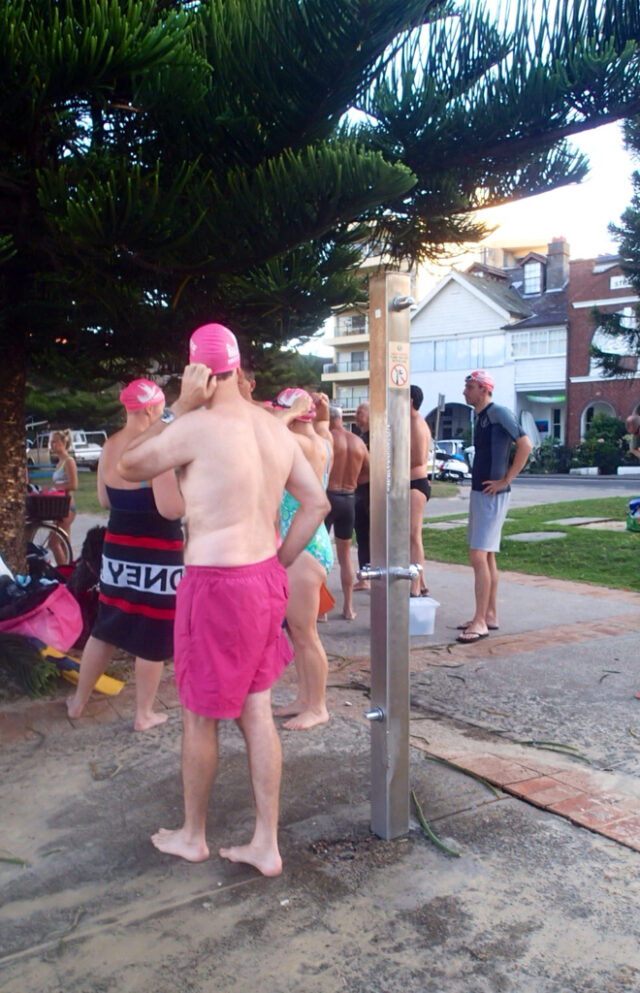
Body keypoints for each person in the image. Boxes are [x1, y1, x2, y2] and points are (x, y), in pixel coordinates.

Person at [117, 323, 329, 876]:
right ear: (237, 369)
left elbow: (128, 464)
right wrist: (280, 559)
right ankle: (265, 843)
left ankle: (193, 836)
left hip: (215, 585)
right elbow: (316, 504)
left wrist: (177, 408)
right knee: (256, 709)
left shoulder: (195, 427)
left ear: (200, 373)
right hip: (263, 579)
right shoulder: (273, 429)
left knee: (199, 716)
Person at [66, 380, 185, 730]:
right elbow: (170, 509)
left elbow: (105, 500)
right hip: (157, 551)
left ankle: (78, 703)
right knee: (152, 631)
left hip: (118, 549)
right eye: (161, 407)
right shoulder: (156, 448)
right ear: (150, 409)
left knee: (107, 626)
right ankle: (144, 714)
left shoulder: (110, 445)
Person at [272, 387, 333, 730]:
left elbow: (270, 433)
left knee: (305, 632)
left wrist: (289, 412)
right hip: (308, 539)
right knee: (298, 631)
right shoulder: (321, 438)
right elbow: (322, 423)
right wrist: (320, 410)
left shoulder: (301, 443)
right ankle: (305, 698)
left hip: (305, 545)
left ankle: (318, 706)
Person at [457, 370, 532, 644]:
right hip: (482, 492)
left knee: (478, 555)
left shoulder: (499, 412)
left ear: (484, 389)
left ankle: (480, 622)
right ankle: (489, 615)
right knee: (486, 555)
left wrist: (506, 480)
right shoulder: (481, 416)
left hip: (492, 494)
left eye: (470, 387)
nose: (465, 392)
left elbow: (525, 444)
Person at [324, 404, 368, 620]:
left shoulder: (326, 439)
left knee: (320, 555)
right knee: (345, 557)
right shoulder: (358, 442)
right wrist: (353, 482)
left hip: (328, 497)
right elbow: (369, 472)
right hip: (349, 498)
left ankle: (322, 610)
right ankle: (348, 608)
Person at [409, 386, 432, 597]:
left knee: (414, 535)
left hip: (416, 483)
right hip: (411, 483)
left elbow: (418, 458)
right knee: (411, 535)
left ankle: (415, 584)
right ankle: (422, 581)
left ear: (410, 400)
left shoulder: (416, 422)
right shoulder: (410, 421)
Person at [49, 430, 78, 564]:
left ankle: (62, 572)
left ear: (63, 443)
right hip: (59, 506)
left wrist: (56, 488)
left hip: (67, 507)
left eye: (54, 442)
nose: (52, 445)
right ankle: (69, 569)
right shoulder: (59, 462)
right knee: (65, 543)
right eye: (51, 442)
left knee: (53, 543)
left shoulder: (68, 461)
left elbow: (73, 484)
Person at [353, 402, 371, 591]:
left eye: (360, 412)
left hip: (371, 493)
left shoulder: (376, 438)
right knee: (362, 535)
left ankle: (373, 575)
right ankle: (364, 577)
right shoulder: (361, 438)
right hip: (359, 494)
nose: (356, 416)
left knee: (373, 535)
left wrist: (355, 480)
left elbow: (373, 469)